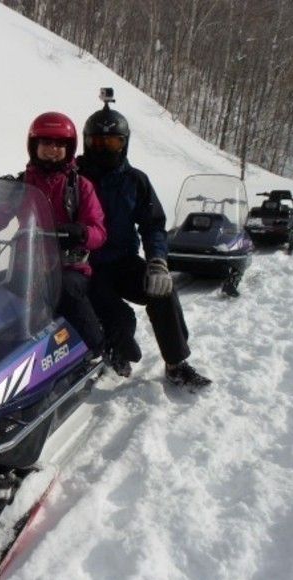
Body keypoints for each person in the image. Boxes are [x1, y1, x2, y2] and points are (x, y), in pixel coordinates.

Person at [0, 112, 109, 357]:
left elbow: (99, 231)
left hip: (68, 268)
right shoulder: (21, 186)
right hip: (26, 266)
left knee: (68, 292)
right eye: (46, 143)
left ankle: (95, 348)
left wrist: (80, 233)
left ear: (69, 149)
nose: (52, 150)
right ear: (33, 146)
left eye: (59, 144)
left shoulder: (80, 186)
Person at [78, 91, 211, 388]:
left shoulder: (134, 180)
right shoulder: (75, 176)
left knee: (162, 292)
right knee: (118, 317)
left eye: (112, 142)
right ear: (86, 142)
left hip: (123, 262)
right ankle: (113, 348)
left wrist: (157, 261)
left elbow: (153, 224)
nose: (104, 149)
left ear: (124, 144)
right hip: (87, 265)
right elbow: (44, 181)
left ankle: (176, 362)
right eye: (97, 142)